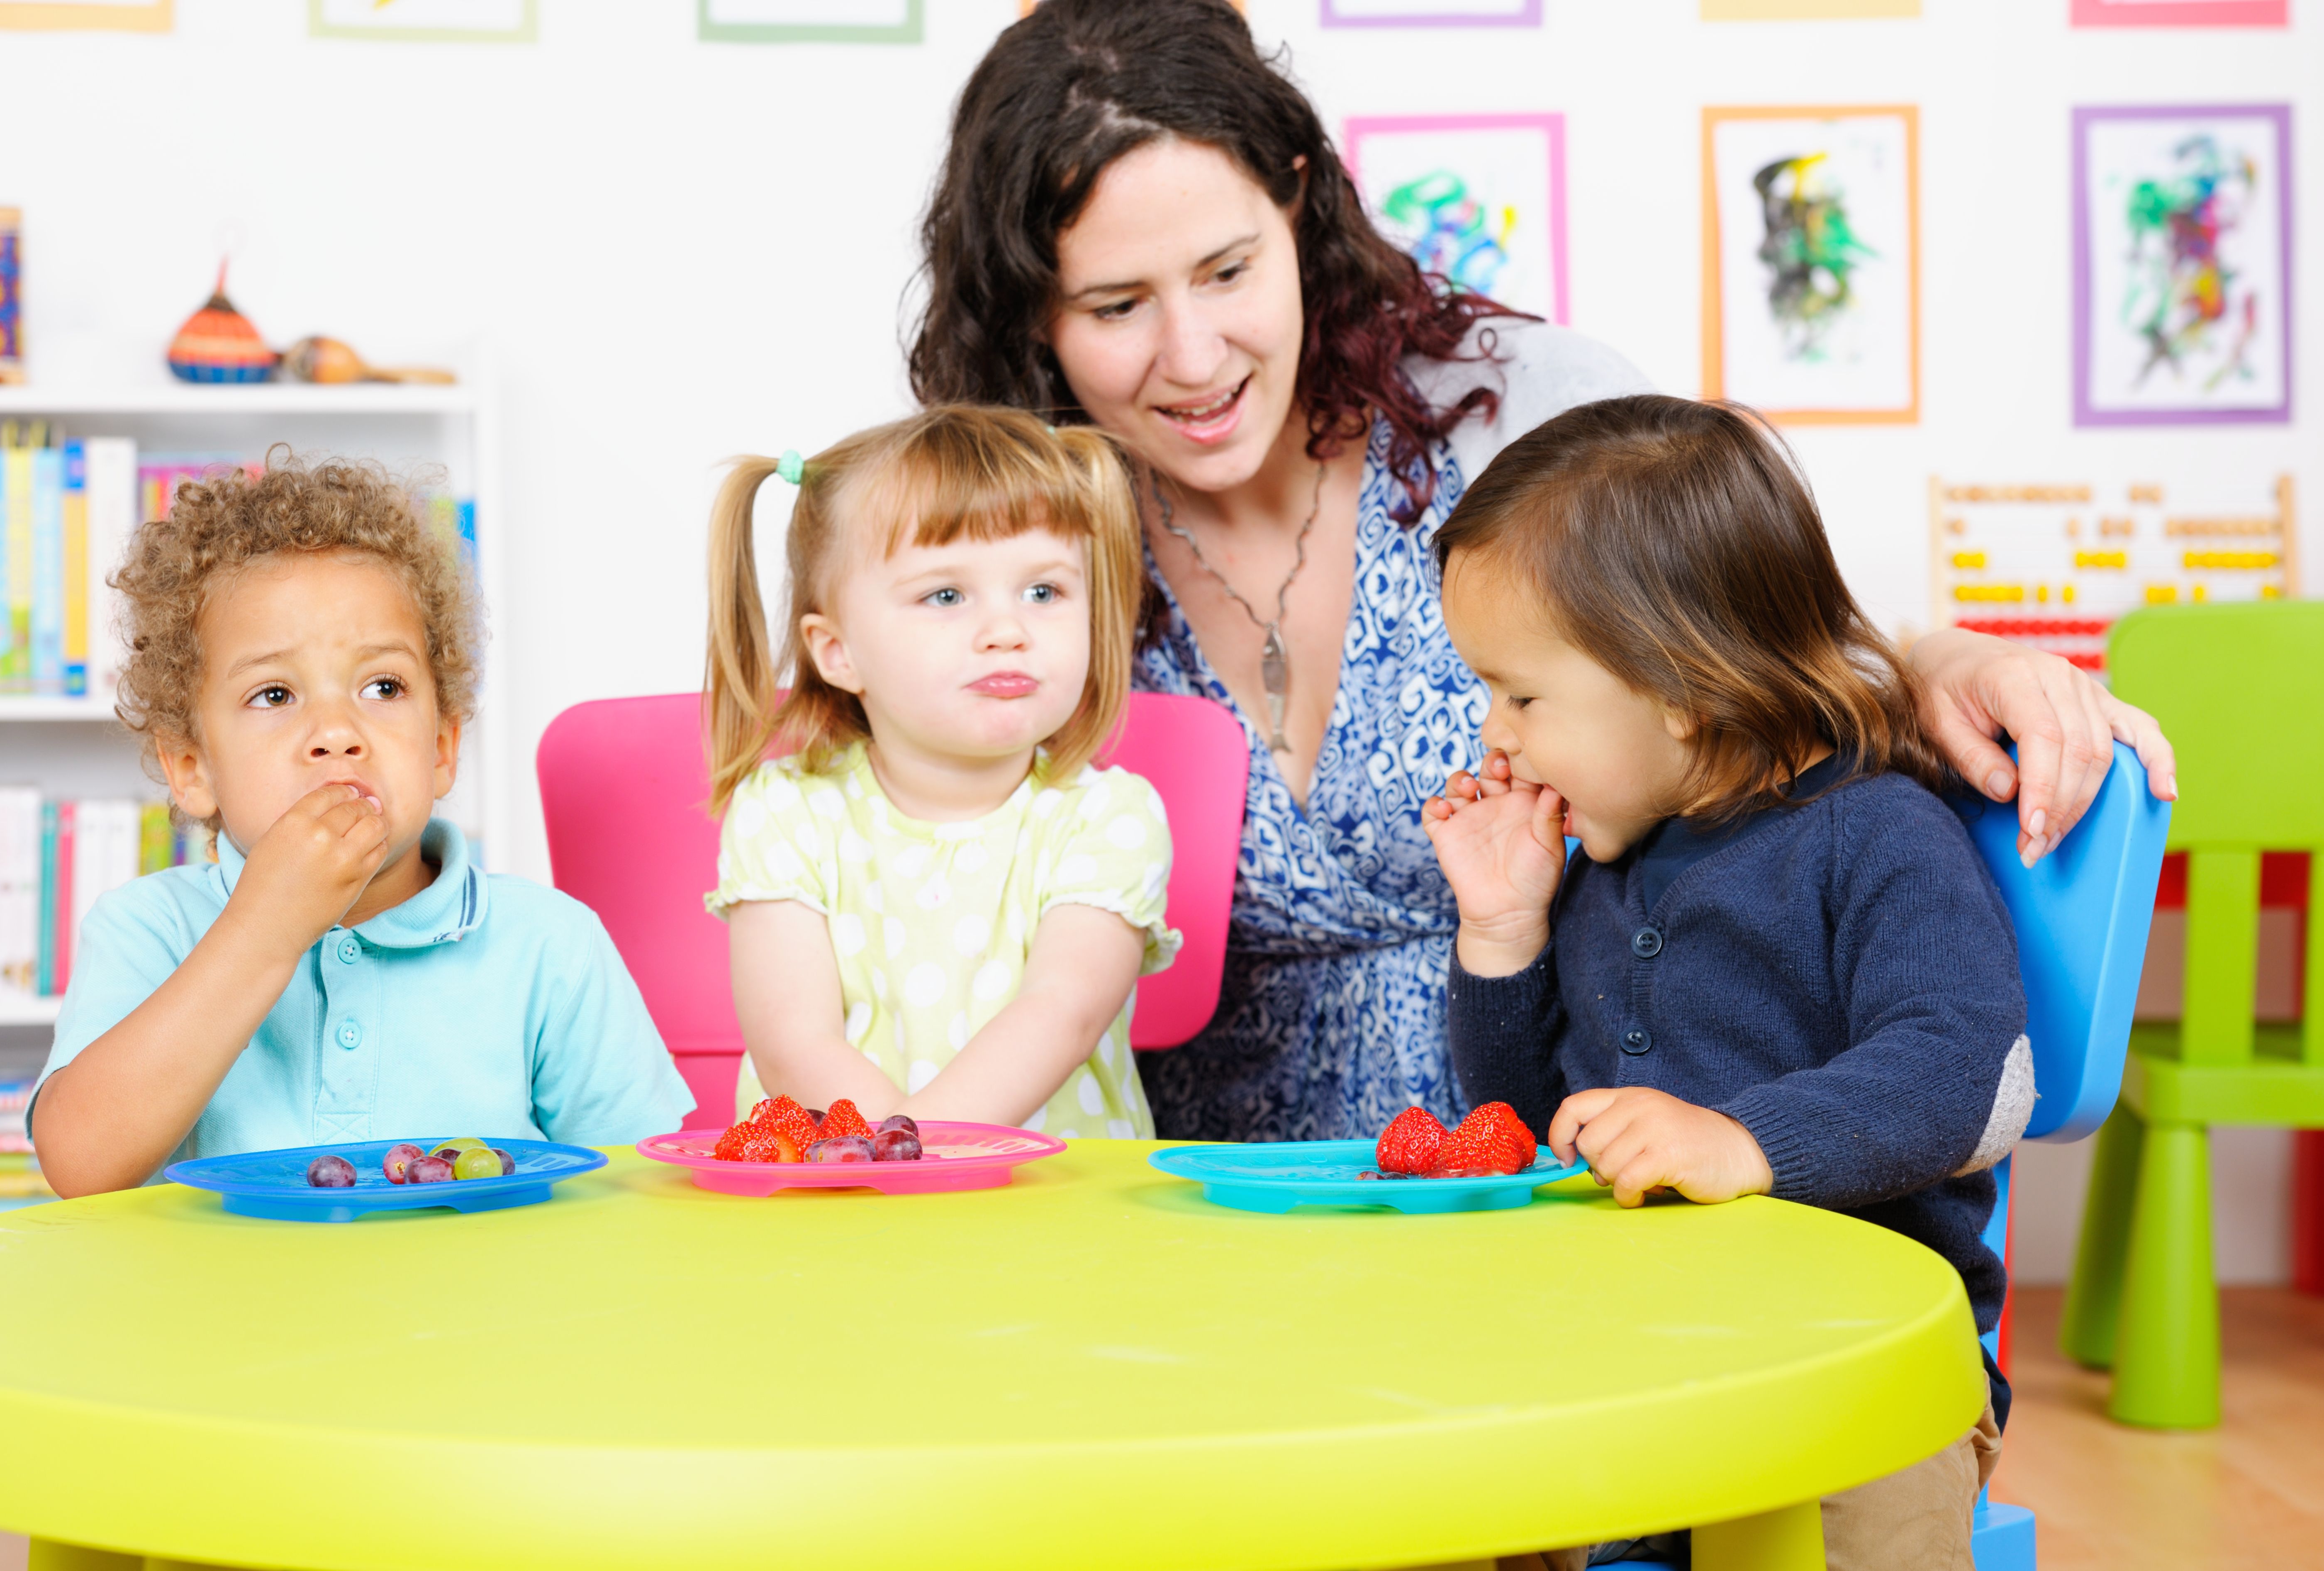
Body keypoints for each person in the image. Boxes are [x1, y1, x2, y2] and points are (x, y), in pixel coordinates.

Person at [905, 0, 2174, 1144]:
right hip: (1206, 1204)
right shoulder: (1014, 540)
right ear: (1031, 313)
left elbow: (1770, 649)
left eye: (1228, 271)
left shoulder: (1522, 413)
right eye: (1117, 306)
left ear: (1300, 202)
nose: (1191, 355)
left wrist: (1952, 661)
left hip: (1558, 1182)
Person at [1427, 397, 2019, 1571]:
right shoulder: (1615, 849)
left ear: (1682, 687)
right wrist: (1502, 931)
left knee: (1868, 1495)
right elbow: (1524, 1123)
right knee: (1419, 1476)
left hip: (1855, 1356)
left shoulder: (1877, 833)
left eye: (1523, 696)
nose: (1493, 735)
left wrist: (1741, 1142)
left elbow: (1965, 1069)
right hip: (1619, 1350)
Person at [31, 457, 693, 1196]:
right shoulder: (148, 929)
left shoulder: (548, 946)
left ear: (442, 747)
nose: (337, 732)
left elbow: (647, 1192)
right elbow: (79, 1166)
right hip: (227, 1312)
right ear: (193, 769)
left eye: (383, 686)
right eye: (274, 693)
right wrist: (266, 927)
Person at [703, 406, 1177, 1137]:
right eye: (946, 596)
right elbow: (795, 1044)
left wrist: (912, 1150)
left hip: (1055, 1216)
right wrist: (900, 1164)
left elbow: (1063, 1013)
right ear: (838, 652)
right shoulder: (784, 812)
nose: (1007, 631)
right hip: (846, 1207)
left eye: (1044, 592)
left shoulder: (1109, 816)